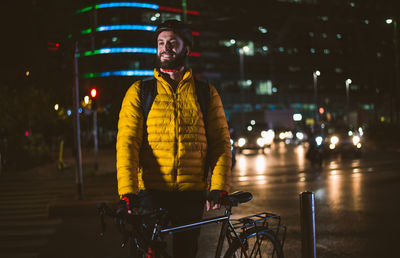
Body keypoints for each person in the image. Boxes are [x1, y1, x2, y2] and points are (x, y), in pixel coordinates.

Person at [116, 19, 232, 258]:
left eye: (172, 43)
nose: (165, 48)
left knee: (185, 253)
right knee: (149, 252)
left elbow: (221, 142)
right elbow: (127, 144)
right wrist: (128, 191)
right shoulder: (140, 92)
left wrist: (219, 186)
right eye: (160, 43)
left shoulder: (206, 93)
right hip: (151, 192)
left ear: (186, 49)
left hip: (191, 193)